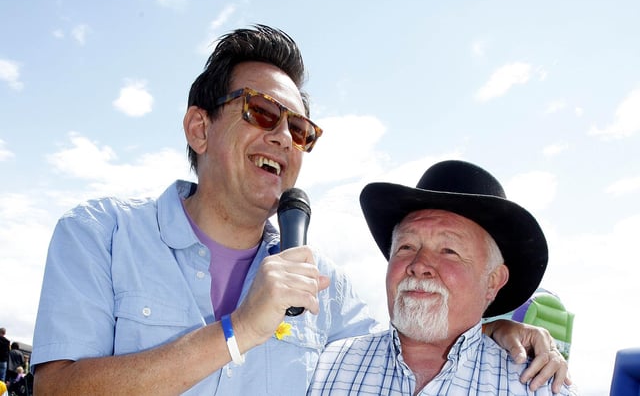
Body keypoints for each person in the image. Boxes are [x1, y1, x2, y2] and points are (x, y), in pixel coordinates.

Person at [31, 26, 568, 395]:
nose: (284, 138)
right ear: (199, 127)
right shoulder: (100, 233)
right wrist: (240, 329)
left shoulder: (324, 288)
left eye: (300, 129)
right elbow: (55, 389)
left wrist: (499, 330)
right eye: (262, 112)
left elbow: (420, 336)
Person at [309, 160, 578, 395]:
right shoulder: (318, 371)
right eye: (406, 247)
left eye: (449, 251)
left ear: (494, 281)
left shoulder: (544, 391)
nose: (419, 265)